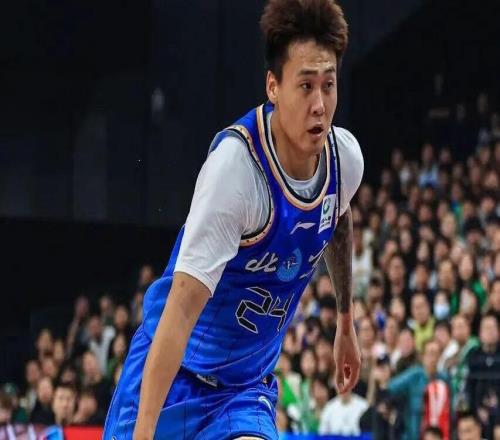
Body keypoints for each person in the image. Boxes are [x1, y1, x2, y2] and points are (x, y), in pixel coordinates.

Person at [104, 0, 364, 439]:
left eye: (329, 85)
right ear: (273, 87)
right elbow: (178, 312)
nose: (320, 105)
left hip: (243, 391)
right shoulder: (237, 172)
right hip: (173, 374)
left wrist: (345, 319)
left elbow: (337, 218)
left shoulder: (346, 159)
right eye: (305, 86)